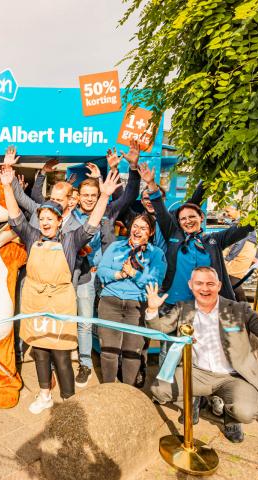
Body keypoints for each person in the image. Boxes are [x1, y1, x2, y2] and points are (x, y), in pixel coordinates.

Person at [0, 146, 121, 413]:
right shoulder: (32, 236)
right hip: (35, 298)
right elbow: (14, 216)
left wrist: (104, 196)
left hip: (61, 300)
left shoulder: (71, 239)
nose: (44, 222)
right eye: (41, 218)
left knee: (61, 354)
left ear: (58, 220)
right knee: (40, 351)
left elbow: (92, 225)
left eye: (49, 218)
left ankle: (69, 401)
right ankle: (44, 394)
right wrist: (7, 186)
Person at [146, 267, 258, 443]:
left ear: (219, 285)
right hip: (197, 373)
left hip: (233, 377)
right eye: (199, 283)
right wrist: (152, 311)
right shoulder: (183, 308)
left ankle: (230, 418)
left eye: (210, 284)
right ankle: (197, 399)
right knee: (159, 390)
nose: (205, 288)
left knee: (246, 412)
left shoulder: (240, 310)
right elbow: (159, 330)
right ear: (191, 285)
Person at [69, 143, 143, 386]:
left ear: (99, 194)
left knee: (115, 321)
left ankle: (122, 364)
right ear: (79, 196)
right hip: (86, 277)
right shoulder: (72, 217)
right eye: (86, 195)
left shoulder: (110, 211)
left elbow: (131, 194)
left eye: (94, 195)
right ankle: (86, 364)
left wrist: (130, 167)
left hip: (112, 277)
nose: (90, 199)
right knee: (85, 322)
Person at [140, 164, 256, 305]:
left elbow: (241, 229)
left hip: (207, 305)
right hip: (174, 302)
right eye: (183, 218)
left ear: (201, 217)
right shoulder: (173, 235)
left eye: (192, 217)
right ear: (178, 222)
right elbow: (159, 208)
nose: (188, 221)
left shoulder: (214, 240)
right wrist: (151, 184)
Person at [96, 212, 167, 384]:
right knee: (108, 351)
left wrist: (134, 274)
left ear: (150, 233)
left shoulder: (156, 254)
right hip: (110, 302)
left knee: (132, 350)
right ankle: (108, 389)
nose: (137, 231)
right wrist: (119, 274)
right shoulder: (116, 247)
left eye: (143, 228)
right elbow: (102, 271)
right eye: (135, 226)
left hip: (138, 305)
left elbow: (154, 282)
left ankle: (129, 393)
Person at [222, 205, 258, 302]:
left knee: (233, 280)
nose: (226, 214)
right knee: (232, 280)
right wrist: (256, 256)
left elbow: (239, 242)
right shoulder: (242, 221)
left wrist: (228, 258)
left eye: (228, 210)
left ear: (237, 210)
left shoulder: (240, 223)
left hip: (242, 254)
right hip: (245, 253)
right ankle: (241, 306)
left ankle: (244, 307)